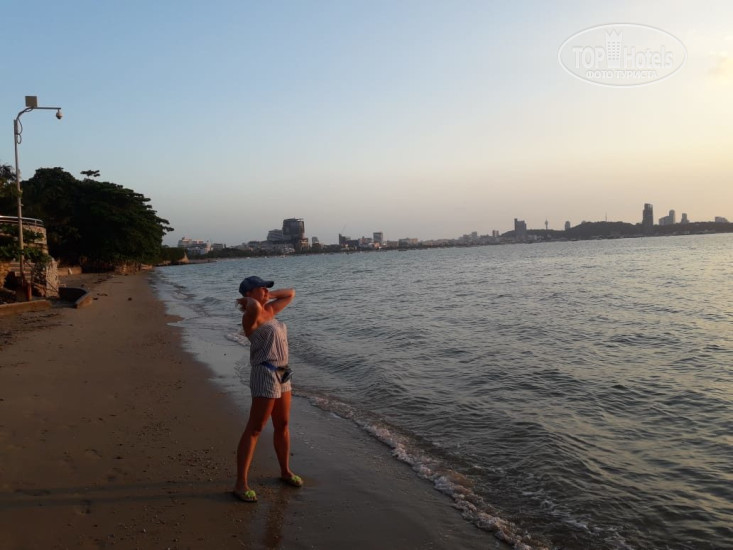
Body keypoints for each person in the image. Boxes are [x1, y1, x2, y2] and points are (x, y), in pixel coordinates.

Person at [232, 275, 302, 503]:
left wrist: (268, 295)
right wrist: (249, 300)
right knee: (255, 428)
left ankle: (285, 471)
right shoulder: (251, 317)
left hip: (283, 372)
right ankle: (241, 483)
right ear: (249, 293)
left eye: (266, 288)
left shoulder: (270, 311)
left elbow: (290, 293)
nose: (265, 290)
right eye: (260, 288)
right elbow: (252, 306)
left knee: (282, 424)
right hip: (265, 373)